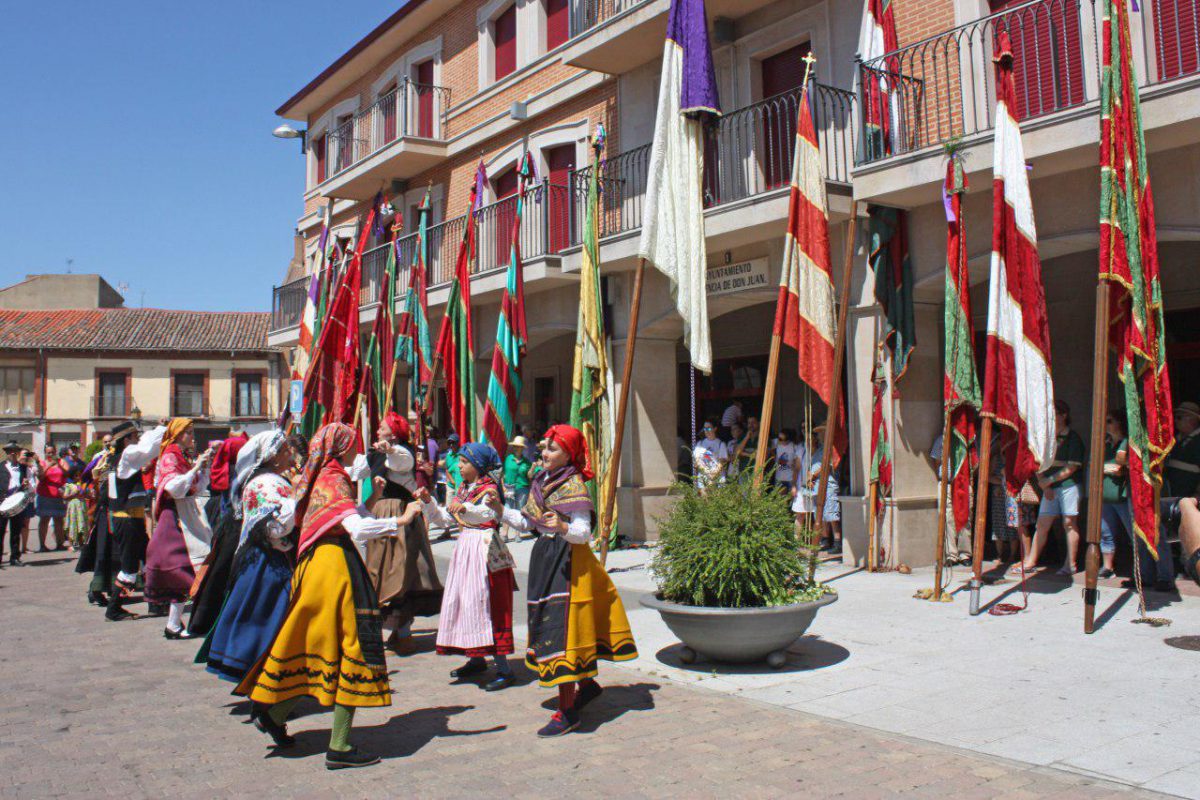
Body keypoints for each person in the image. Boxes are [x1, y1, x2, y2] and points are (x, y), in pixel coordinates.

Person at [235, 423, 420, 770]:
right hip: (336, 569)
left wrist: (373, 500)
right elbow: (357, 528)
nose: (358, 450)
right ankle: (340, 745)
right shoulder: (334, 478)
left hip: (317, 566)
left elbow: (344, 517)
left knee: (320, 648)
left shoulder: (320, 475)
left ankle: (274, 711)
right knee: (353, 649)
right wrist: (402, 520)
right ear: (341, 448)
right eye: (353, 444)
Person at [489, 425, 638, 737]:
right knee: (551, 624)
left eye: (552, 449)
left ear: (569, 454)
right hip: (547, 558)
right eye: (544, 447)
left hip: (571, 564)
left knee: (563, 632)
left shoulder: (573, 484)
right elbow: (529, 522)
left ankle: (568, 711)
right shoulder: (543, 481)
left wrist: (562, 526)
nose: (544, 453)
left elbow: (585, 533)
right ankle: (586, 685)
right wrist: (501, 510)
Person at [197, 430, 297, 684]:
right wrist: (296, 503)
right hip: (268, 565)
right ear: (273, 456)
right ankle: (264, 684)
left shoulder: (272, 479)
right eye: (286, 449)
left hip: (266, 561)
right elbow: (273, 528)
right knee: (266, 620)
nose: (291, 454)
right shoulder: (266, 484)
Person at [421, 441, 516, 692]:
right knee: (467, 603)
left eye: (464, 462)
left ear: (478, 465)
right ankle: (475, 658)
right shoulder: (463, 488)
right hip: (466, 549)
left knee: (489, 605)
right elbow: (445, 519)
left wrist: (466, 509)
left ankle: (504, 668)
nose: (459, 467)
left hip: (485, 550)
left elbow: (487, 515)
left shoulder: (489, 489)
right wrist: (429, 502)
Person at [349, 411, 443, 655]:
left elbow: (404, 461)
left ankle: (404, 636)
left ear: (392, 432)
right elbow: (355, 471)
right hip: (382, 514)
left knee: (400, 572)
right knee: (382, 570)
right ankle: (398, 634)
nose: (378, 431)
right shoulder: (377, 453)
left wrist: (389, 449)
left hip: (399, 514)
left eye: (382, 427)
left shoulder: (401, 453)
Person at [146, 419, 215, 638]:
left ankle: (173, 625)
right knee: (182, 569)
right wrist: (196, 466)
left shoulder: (181, 456)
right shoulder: (169, 456)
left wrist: (203, 467)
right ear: (177, 435)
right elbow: (173, 488)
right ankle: (177, 624)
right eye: (188, 433)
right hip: (174, 517)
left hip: (187, 515)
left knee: (186, 570)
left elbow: (196, 487)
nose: (192, 437)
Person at [188, 434, 254, 637]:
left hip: (226, 524)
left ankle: (205, 617)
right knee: (226, 573)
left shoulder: (228, 469)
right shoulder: (239, 472)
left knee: (218, 572)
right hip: (235, 527)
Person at [104, 421, 165, 621]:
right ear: (126, 440)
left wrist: (159, 429)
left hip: (130, 519)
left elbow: (146, 446)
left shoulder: (116, 459)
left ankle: (154, 603)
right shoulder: (127, 456)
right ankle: (113, 608)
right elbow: (148, 448)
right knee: (129, 567)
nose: (138, 439)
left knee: (149, 559)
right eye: (134, 437)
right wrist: (165, 430)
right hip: (127, 520)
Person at [1023, 400, 1085, 575]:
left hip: (1068, 486)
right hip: (1050, 487)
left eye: (1054, 413)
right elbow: (1037, 461)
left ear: (1063, 415)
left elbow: (1072, 466)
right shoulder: (1046, 438)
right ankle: (1031, 560)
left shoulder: (1073, 438)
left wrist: (1049, 481)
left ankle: (1070, 564)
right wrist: (1044, 483)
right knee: (1042, 524)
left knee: (1069, 523)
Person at [1098, 412, 1130, 580]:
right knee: (1106, 533)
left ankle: (1139, 568)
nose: (1106, 424)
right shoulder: (1106, 443)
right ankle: (1107, 567)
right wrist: (1109, 468)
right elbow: (1096, 465)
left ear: (1119, 423)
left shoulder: (1126, 442)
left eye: (1109, 421)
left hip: (1122, 497)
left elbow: (1121, 468)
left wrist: (1110, 468)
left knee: (1132, 533)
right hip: (1105, 496)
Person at [808, 424, 842, 552]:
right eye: (819, 432)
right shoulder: (818, 449)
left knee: (832, 514)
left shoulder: (832, 448)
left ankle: (837, 542)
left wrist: (813, 475)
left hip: (829, 484)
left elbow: (826, 465)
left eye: (822, 432)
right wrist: (809, 479)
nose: (820, 435)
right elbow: (811, 465)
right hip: (817, 485)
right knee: (820, 515)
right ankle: (825, 540)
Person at [0, 441, 34, 566]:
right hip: (2, 502)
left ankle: (14, 557)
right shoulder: (0, 467)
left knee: (16, 531)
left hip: (17, 503)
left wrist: (27, 485)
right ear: (7, 453)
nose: (13, 453)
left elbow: (31, 486)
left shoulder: (25, 469)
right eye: (10, 451)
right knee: (0, 531)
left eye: (15, 451)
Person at [35, 445, 68, 551]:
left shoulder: (61, 461)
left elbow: (67, 473)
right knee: (44, 520)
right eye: (48, 452)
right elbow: (40, 477)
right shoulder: (42, 463)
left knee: (59, 520)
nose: (51, 454)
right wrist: (49, 466)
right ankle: (42, 545)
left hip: (58, 496)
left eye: (52, 452)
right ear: (45, 453)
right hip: (45, 495)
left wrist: (58, 464)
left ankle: (60, 544)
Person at [502, 436, 534, 540]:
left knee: (519, 510)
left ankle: (517, 534)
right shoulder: (508, 459)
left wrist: (533, 467)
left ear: (523, 448)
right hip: (509, 488)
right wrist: (503, 486)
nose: (517, 448)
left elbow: (529, 476)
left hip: (522, 487)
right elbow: (503, 474)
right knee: (507, 509)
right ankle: (504, 534)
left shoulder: (526, 462)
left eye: (519, 447)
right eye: (515, 446)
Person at [692, 419, 728, 493]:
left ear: (715, 429)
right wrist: (707, 473)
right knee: (705, 501)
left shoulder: (721, 444)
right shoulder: (700, 444)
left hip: (718, 479)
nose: (706, 431)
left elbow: (722, 462)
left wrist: (713, 475)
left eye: (708, 428)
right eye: (705, 428)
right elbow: (697, 461)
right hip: (704, 479)